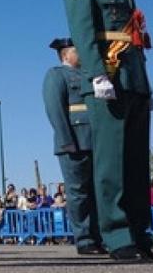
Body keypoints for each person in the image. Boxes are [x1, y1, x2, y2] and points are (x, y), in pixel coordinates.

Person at [62, 0, 153, 261]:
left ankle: (141, 234)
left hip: (132, 78)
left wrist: (144, 84)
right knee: (111, 162)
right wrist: (96, 74)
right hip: (107, 77)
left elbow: (136, 39)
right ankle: (116, 236)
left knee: (135, 162)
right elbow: (83, 29)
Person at [41, 37, 104, 255]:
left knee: (96, 192)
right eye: (78, 50)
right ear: (65, 54)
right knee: (78, 192)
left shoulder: (90, 75)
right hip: (74, 141)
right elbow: (55, 110)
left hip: (95, 140)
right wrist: (67, 140)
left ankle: (98, 236)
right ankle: (85, 238)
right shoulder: (56, 75)